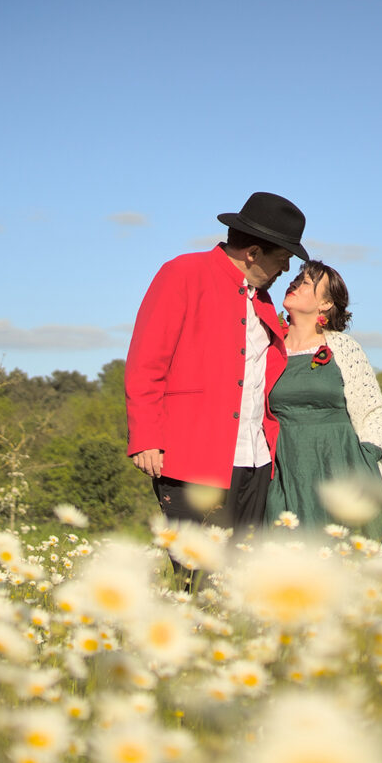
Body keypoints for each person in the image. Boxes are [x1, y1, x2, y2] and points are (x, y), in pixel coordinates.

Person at [124, 192, 306, 536]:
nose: (285, 269)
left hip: (256, 459)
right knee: (195, 574)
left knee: (239, 574)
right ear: (252, 253)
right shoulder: (182, 273)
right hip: (192, 455)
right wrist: (146, 437)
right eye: (282, 258)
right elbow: (146, 362)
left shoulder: (264, 300)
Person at [264, 261, 382, 549]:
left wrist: (368, 455)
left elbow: (373, 408)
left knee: (352, 557)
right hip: (286, 468)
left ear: (325, 304)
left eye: (306, 282)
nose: (295, 283)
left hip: (342, 465)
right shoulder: (265, 345)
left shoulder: (344, 348)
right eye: (298, 278)